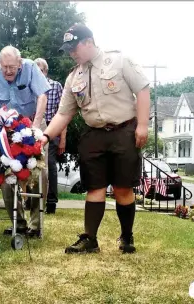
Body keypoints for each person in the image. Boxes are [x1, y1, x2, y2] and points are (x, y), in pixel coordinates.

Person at [40, 24, 150, 254]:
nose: (71, 53)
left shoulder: (119, 61)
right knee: (94, 187)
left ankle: (127, 237)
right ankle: (90, 239)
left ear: (88, 42)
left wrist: (142, 125)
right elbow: (64, 113)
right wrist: (46, 136)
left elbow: (142, 89)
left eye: (74, 47)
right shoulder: (74, 77)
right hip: (94, 135)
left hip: (124, 131)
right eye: (68, 49)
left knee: (122, 188)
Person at [0, 45, 51, 237]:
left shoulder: (30, 68)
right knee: (5, 171)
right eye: (5, 67)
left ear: (20, 63)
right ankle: (18, 222)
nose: (9, 71)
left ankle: (36, 225)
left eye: (13, 67)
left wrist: (36, 127)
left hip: (34, 121)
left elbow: (42, 96)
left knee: (39, 173)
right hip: (6, 129)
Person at [34, 58, 67, 214]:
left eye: (41, 70)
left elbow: (63, 114)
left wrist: (63, 139)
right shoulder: (30, 86)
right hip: (33, 129)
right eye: (35, 70)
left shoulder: (55, 86)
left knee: (50, 165)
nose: (38, 73)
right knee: (32, 165)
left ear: (45, 71)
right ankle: (32, 200)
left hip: (52, 130)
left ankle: (51, 201)